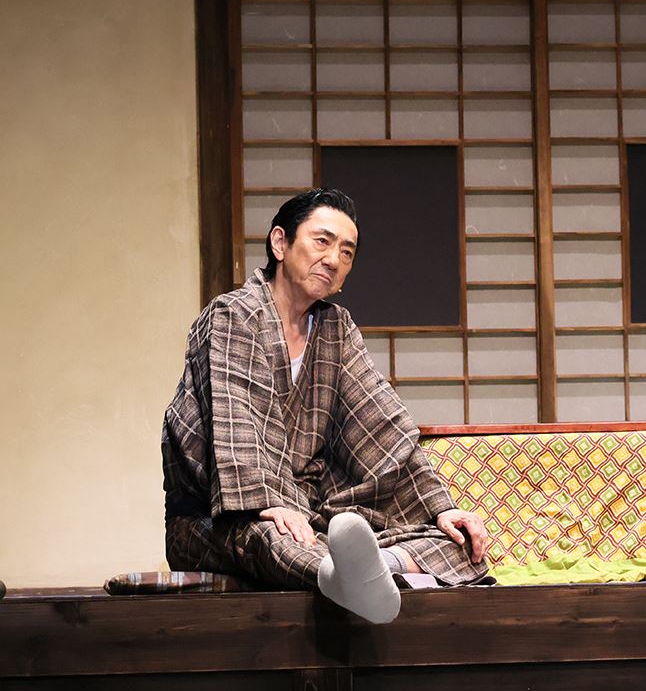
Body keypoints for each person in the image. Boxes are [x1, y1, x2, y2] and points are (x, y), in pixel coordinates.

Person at [162, 189, 489, 622]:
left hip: (308, 510)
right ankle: (350, 572)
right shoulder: (233, 315)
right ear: (280, 243)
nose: (333, 259)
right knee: (273, 538)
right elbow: (236, 420)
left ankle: (369, 569)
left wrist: (441, 507)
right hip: (224, 515)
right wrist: (268, 502)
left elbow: (382, 424)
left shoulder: (336, 328)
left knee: (458, 545)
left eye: (347, 252)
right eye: (322, 241)